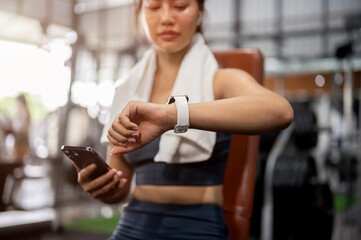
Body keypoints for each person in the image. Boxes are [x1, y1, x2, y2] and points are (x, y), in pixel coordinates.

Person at [74, 0, 294, 239]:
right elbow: (120, 188)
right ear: (140, 14)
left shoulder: (220, 81)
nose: (167, 18)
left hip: (199, 225)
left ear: (200, 13)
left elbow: (280, 112)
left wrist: (172, 115)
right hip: (133, 224)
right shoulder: (127, 90)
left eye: (180, 6)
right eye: (154, 7)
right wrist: (103, 188)